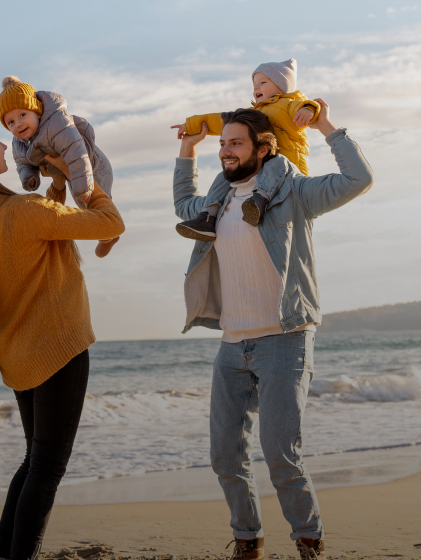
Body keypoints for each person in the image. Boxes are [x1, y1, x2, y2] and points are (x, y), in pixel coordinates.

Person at [172, 102, 373, 560]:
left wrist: (325, 126)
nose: (225, 150)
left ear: (264, 149)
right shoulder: (217, 202)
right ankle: (247, 540)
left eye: (235, 142)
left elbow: (357, 180)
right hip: (232, 345)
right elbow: (185, 202)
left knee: (281, 453)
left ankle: (308, 539)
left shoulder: (295, 193)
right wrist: (187, 149)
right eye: (222, 143)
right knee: (225, 455)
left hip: (285, 338)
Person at [0, 115, 124, 560]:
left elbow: (40, 237)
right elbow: (110, 223)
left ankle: (1, 552)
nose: (4, 144)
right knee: (47, 467)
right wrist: (82, 179)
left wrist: (54, 185)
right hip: (58, 349)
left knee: (35, 461)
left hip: (17, 357)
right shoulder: (21, 211)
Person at [171, 59, 320, 239]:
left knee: (277, 162)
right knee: (225, 175)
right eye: (254, 84)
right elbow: (221, 120)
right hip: (260, 173)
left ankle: (258, 202)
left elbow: (307, 105)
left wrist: (309, 110)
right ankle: (208, 215)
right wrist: (191, 125)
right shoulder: (254, 114)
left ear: (282, 88)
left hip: (288, 177)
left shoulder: (288, 105)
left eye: (263, 83)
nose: (256, 88)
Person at [0, 76, 120, 258]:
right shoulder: (20, 141)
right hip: (67, 171)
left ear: (37, 112)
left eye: (23, 115)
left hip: (91, 165)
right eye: (11, 122)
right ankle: (107, 235)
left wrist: (81, 184)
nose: (19, 124)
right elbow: (22, 161)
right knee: (84, 203)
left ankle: (109, 236)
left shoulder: (56, 123)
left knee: (90, 202)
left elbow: (76, 151)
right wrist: (29, 178)